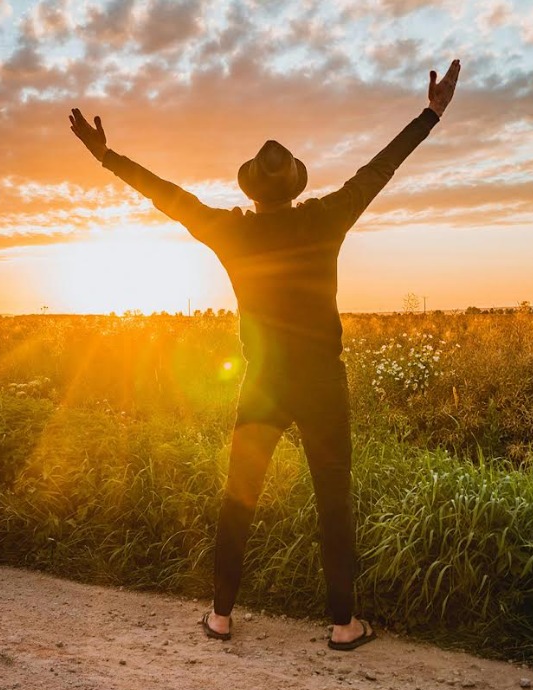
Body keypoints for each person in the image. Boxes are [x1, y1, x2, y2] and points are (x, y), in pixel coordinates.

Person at [69, 59, 461, 650]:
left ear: (251, 190)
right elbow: (379, 168)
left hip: (263, 382)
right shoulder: (326, 218)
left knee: (240, 497)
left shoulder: (232, 232)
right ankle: (343, 625)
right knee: (333, 500)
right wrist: (430, 115)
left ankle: (220, 616)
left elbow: (168, 196)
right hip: (321, 382)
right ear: (295, 186)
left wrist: (107, 157)